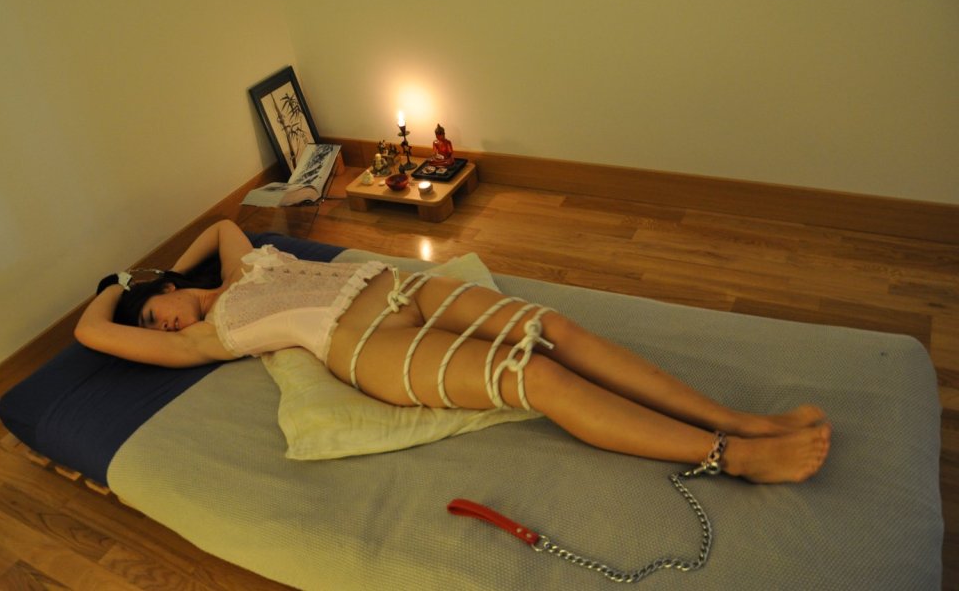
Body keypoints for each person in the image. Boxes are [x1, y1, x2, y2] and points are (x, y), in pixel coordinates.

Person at [76, 219, 830, 484]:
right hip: (365, 346)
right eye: (150, 328)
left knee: (556, 330)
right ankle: (729, 455)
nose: (158, 326)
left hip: (400, 287)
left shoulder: (247, 264)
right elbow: (92, 333)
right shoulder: (205, 338)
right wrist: (116, 289)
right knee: (534, 376)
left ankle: (739, 418)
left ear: (171, 288)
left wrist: (158, 274)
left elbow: (218, 227)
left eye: (154, 313)